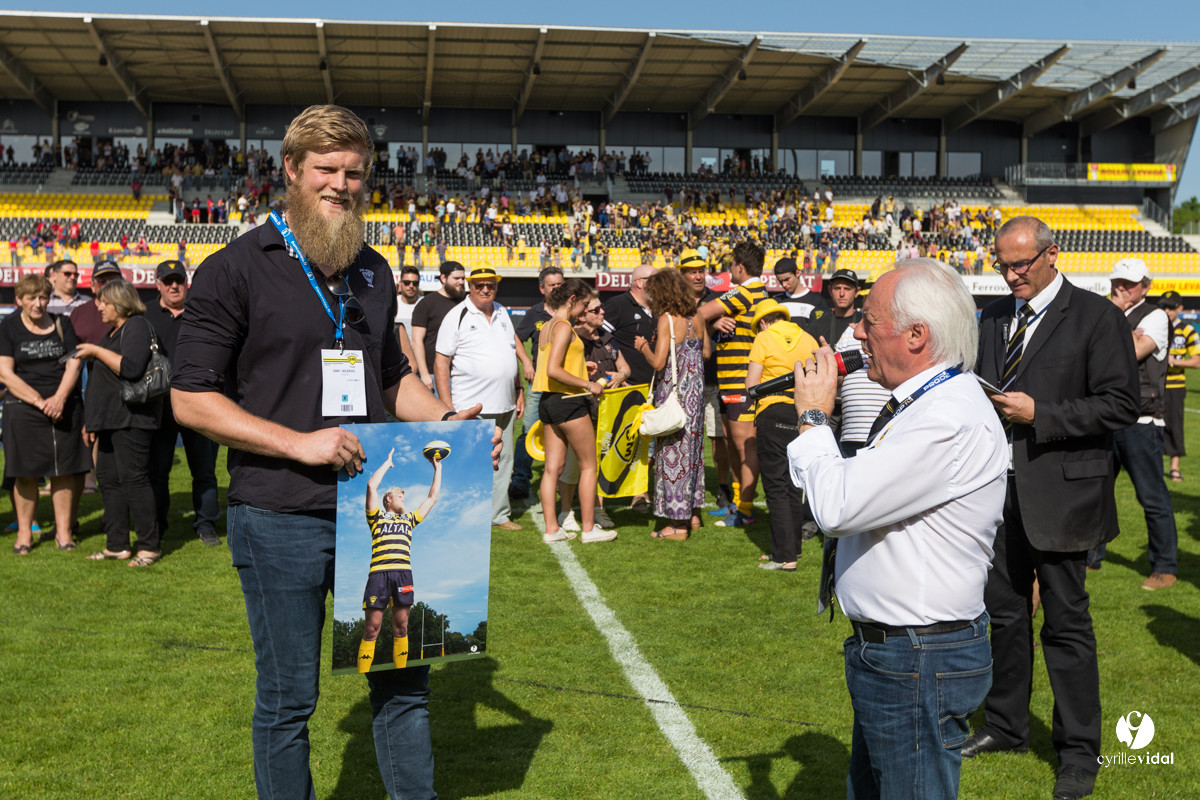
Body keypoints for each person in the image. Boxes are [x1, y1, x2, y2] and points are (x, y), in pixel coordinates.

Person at [170, 104, 494, 800]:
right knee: (290, 699)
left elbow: (390, 381)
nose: (341, 185)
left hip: (369, 517)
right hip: (279, 513)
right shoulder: (234, 268)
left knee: (403, 686)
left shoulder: (373, 270)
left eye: (354, 173)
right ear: (291, 170)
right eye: (326, 170)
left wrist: (451, 425)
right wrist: (299, 444)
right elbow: (190, 398)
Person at [788, 258, 1008, 800]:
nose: (856, 332)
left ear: (916, 335)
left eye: (867, 320)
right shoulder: (932, 403)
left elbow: (837, 506)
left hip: (917, 656)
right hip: (906, 653)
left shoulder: (944, 416)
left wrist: (815, 418)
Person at [966, 216, 1138, 800]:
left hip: (1065, 495)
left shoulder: (1097, 317)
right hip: (998, 493)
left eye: (1020, 264)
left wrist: (1043, 414)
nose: (1010, 274)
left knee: (1066, 623)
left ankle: (1078, 752)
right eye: (1002, 264)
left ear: (1051, 255)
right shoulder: (991, 317)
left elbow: (1119, 404)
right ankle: (1005, 726)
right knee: (1005, 615)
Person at [1086, 258, 1179, 590]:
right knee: (1095, 492)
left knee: (1152, 496)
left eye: (1129, 283)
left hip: (1141, 420)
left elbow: (1130, 353)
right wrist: (1121, 333)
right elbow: (1091, 352)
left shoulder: (1154, 316)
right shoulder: (1109, 313)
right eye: (1118, 282)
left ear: (1146, 285)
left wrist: (1110, 338)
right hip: (1107, 418)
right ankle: (1090, 558)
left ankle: (1165, 567)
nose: (1121, 288)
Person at [75, 279, 163, 566]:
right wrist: (92, 421)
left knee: (134, 480)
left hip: (132, 419)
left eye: (104, 302)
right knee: (109, 481)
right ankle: (117, 544)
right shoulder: (114, 331)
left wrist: (96, 351)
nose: (98, 307)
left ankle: (150, 546)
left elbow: (132, 368)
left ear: (120, 303)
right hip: (110, 420)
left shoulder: (135, 325)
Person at [434, 267, 529, 531]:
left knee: (504, 461)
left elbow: (510, 352)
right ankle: (462, 514)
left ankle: (499, 515)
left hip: (506, 403)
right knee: (469, 462)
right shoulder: (457, 315)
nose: (485, 289)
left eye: (491, 285)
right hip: (471, 406)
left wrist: (519, 388)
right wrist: (446, 406)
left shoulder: (501, 312)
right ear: (470, 286)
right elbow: (441, 362)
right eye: (479, 285)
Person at [0, 274, 90, 554]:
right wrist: (41, 402)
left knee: (62, 471)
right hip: (24, 408)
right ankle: (25, 534)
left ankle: (63, 533)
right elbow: (5, 372)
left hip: (63, 405)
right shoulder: (9, 327)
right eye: (31, 299)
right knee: (25, 473)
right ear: (19, 300)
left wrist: (60, 399)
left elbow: (74, 364)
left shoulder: (62, 324)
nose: (39, 304)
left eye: (43, 298)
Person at [534, 278, 617, 544]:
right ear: (571, 299)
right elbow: (553, 369)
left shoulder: (547, 326)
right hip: (568, 401)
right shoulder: (563, 326)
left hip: (548, 401)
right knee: (589, 466)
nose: (584, 311)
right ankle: (589, 528)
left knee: (551, 469)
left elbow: (557, 363)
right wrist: (587, 383)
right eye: (583, 304)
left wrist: (583, 367)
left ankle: (551, 530)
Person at [145, 260, 221, 546]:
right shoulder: (146, 314)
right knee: (158, 470)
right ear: (158, 284)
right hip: (160, 406)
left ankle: (206, 524)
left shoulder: (203, 311)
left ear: (186, 283)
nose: (174, 286)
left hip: (199, 402)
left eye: (178, 280)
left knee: (204, 470)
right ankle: (159, 523)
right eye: (168, 281)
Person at [634, 268, 710, 540]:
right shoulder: (697, 316)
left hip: (674, 395)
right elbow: (706, 352)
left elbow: (658, 362)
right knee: (694, 454)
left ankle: (676, 526)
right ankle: (693, 513)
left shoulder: (667, 319)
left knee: (673, 456)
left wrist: (643, 345)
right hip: (696, 393)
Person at [745, 298, 817, 569]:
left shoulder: (763, 338)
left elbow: (752, 384)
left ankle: (784, 557)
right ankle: (792, 548)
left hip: (772, 411)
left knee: (775, 484)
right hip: (801, 414)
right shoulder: (807, 338)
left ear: (763, 322)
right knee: (793, 484)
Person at [700, 241, 768, 528]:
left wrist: (711, 320)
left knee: (744, 448)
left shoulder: (743, 291)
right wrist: (717, 324)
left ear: (740, 267)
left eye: (731, 266)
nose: (730, 271)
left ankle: (746, 510)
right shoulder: (755, 292)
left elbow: (700, 312)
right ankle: (738, 504)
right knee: (733, 444)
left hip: (741, 381)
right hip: (732, 381)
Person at [358, 447, 441, 673]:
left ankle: (400, 673)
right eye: (399, 495)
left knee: (401, 627)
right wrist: (387, 463)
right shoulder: (375, 517)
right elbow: (371, 486)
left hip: (403, 574)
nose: (403, 497)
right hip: (378, 576)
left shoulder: (409, 520)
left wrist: (438, 468)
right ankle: (362, 672)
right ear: (388, 499)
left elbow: (432, 497)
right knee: (372, 628)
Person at [679, 249, 735, 515]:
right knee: (686, 437)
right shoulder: (677, 303)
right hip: (686, 380)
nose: (698, 276)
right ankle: (688, 487)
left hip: (715, 377)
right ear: (683, 275)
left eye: (701, 270)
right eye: (692, 271)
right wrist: (712, 325)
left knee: (718, 437)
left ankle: (724, 489)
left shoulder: (719, 300)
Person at [510, 266, 563, 500]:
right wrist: (527, 363)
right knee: (529, 431)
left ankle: (563, 480)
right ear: (542, 288)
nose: (558, 289)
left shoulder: (571, 312)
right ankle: (520, 480)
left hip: (565, 386)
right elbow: (516, 338)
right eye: (553, 285)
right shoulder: (534, 313)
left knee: (565, 433)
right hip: (538, 385)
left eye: (561, 284)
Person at [1160, 290, 1200, 482]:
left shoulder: (1188, 330)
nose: (1166, 310)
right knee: (1153, 425)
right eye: (1164, 307)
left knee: (1175, 425)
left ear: (1180, 309)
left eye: (1171, 307)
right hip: (1155, 385)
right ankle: (1154, 465)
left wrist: (1174, 362)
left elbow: (1197, 361)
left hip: (1176, 386)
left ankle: (1174, 467)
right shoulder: (1157, 327)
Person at [410, 260, 466, 392]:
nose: (461, 282)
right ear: (443, 278)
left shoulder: (466, 303)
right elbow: (417, 341)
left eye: (463, 278)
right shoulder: (426, 304)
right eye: (456, 278)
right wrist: (424, 374)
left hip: (463, 375)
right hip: (433, 374)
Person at [772, 256, 830, 337]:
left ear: (797, 273)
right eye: (780, 281)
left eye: (787, 279)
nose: (784, 285)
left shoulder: (817, 301)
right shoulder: (776, 301)